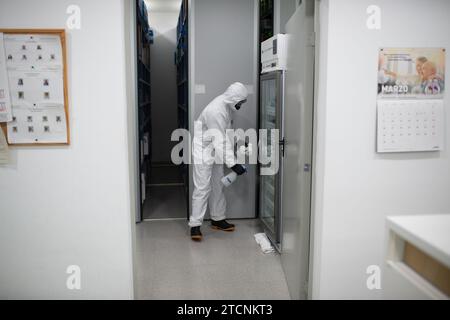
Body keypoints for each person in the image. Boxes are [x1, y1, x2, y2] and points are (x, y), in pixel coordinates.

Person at [189, 82, 248, 241]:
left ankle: (218, 218)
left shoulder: (228, 106)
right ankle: (195, 226)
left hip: (217, 149)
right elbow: (219, 139)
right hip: (204, 150)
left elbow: (226, 132)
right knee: (202, 187)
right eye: (241, 102)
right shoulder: (216, 110)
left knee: (217, 183)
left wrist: (238, 141)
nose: (241, 105)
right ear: (234, 98)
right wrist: (234, 164)